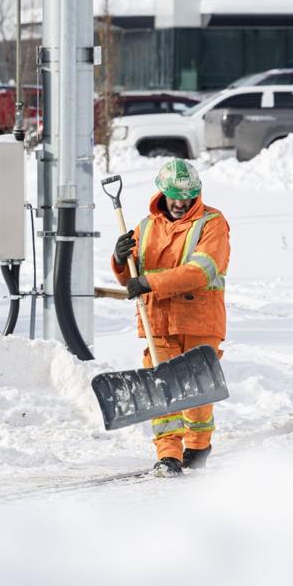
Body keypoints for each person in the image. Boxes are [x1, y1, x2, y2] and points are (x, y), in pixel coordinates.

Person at [109, 159, 231, 477]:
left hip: (200, 320)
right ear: (162, 193)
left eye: (188, 196)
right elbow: (131, 277)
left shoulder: (212, 223)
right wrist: (120, 259)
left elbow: (202, 271)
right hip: (158, 322)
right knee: (162, 388)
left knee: (197, 389)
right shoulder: (146, 227)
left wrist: (149, 283)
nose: (180, 203)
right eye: (175, 195)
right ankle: (168, 455)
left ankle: (199, 445)